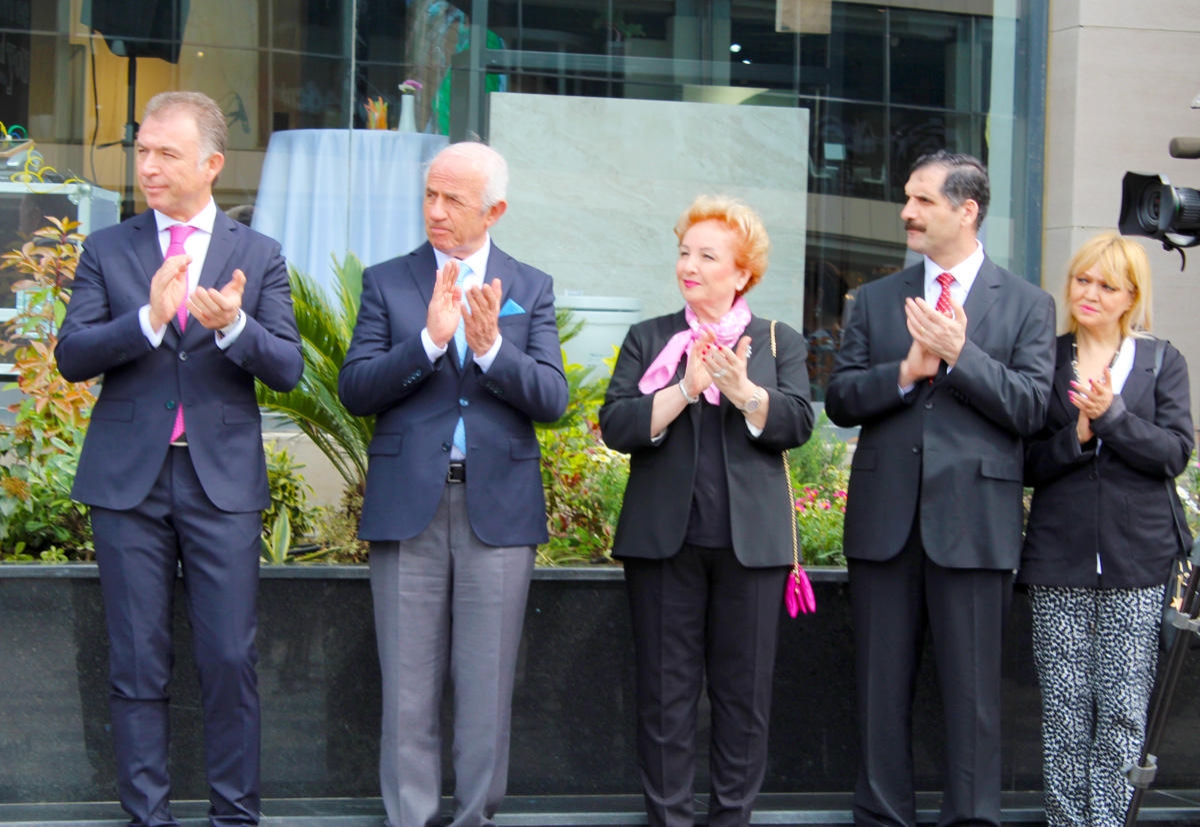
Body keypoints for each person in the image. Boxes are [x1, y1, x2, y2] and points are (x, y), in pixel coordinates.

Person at [55, 91, 304, 826]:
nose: (149, 166)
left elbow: (288, 367)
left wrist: (234, 329)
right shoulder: (109, 247)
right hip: (127, 482)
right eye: (142, 151)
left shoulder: (257, 255)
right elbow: (72, 354)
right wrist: (147, 318)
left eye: (167, 153)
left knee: (229, 659)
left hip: (220, 481)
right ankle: (148, 817)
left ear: (212, 164)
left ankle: (234, 817)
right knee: (137, 663)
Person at [338, 141, 568, 827]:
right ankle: (409, 818)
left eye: (453, 200)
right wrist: (429, 343)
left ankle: (474, 817)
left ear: (494, 209)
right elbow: (356, 388)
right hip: (409, 503)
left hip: (497, 508)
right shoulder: (388, 282)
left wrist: (494, 348)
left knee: (485, 685)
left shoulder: (531, 286)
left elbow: (552, 399)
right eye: (430, 195)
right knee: (406, 687)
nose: (435, 211)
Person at [824, 150, 1056, 827]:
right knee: (878, 692)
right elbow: (840, 399)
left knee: (974, 698)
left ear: (966, 208)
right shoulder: (873, 297)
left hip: (975, 525)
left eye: (923, 200)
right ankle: (882, 817)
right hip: (884, 523)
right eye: (907, 198)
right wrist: (905, 369)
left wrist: (961, 355)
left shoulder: (1027, 304)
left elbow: (1033, 410)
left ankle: (972, 819)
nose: (907, 212)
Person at [598, 195, 815, 827]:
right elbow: (617, 423)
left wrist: (745, 390)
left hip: (753, 547)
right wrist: (687, 388)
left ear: (742, 272)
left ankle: (731, 819)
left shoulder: (779, 340)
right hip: (663, 542)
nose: (689, 266)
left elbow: (798, 422)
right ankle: (668, 819)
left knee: (743, 699)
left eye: (707, 255)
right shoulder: (651, 338)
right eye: (684, 252)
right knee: (664, 696)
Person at [1019, 232, 1193, 827]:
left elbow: (1174, 452)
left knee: (1122, 709)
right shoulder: (1045, 354)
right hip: (1058, 555)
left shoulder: (1161, 359)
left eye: (1106, 285)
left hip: (1138, 559)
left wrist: (1113, 418)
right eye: (1082, 280)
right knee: (1064, 710)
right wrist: (1079, 436)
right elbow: (1026, 462)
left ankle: (1111, 821)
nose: (1089, 293)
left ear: (1131, 297)